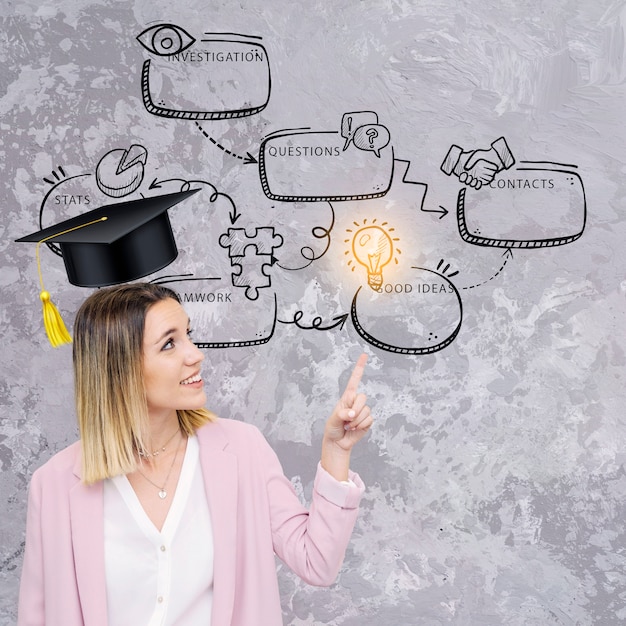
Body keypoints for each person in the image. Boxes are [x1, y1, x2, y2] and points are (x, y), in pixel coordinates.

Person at [17, 282, 373, 626]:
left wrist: (336, 453)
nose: (195, 354)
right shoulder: (54, 485)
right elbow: (38, 616)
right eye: (169, 344)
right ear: (120, 368)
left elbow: (317, 563)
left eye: (188, 334)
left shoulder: (242, 450)